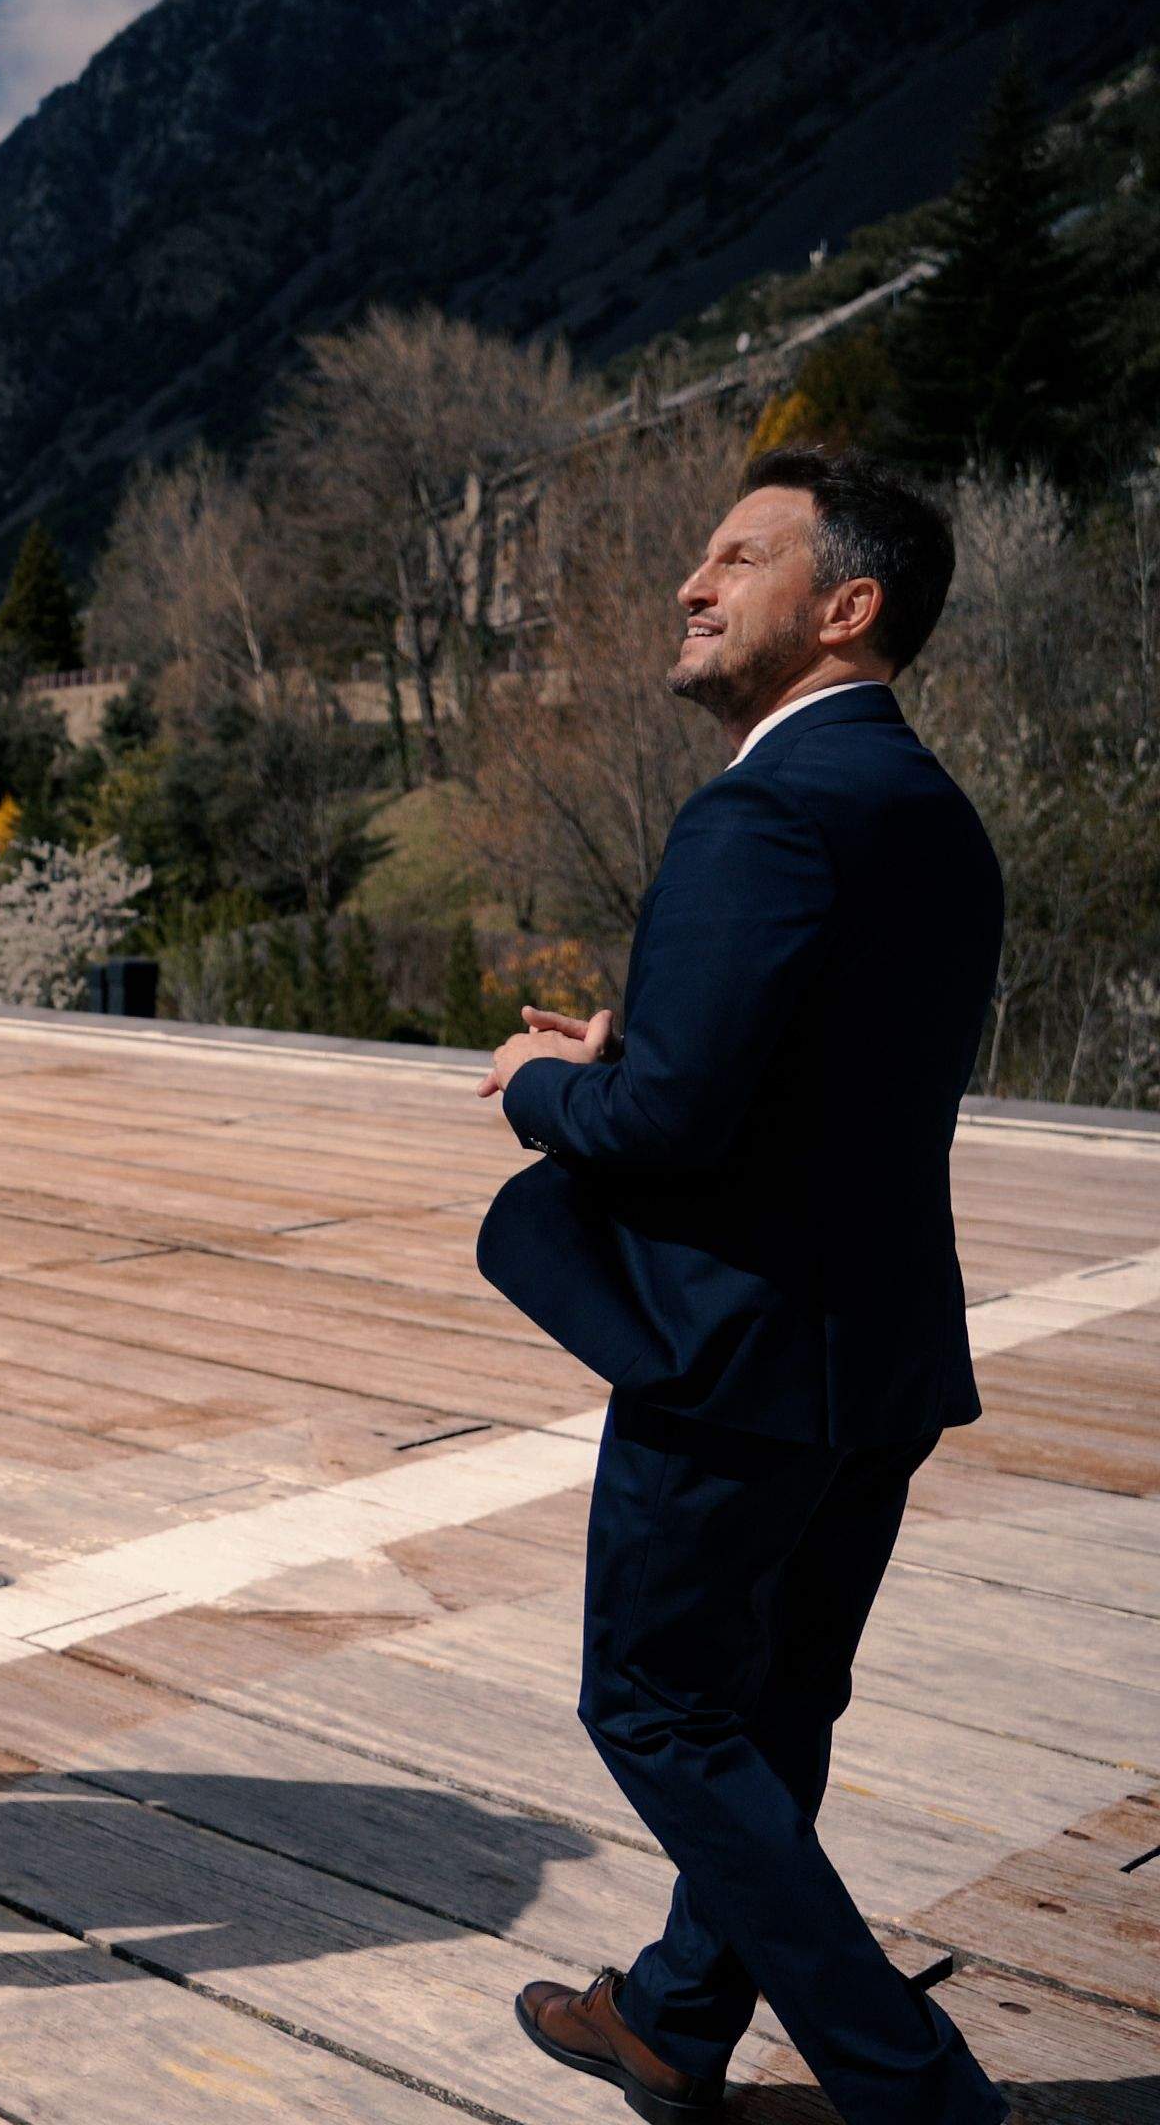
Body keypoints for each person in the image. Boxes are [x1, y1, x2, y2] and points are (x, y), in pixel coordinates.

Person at [478, 448, 1004, 2125]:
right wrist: (655, 1053)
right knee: (771, 1711)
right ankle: (679, 2018)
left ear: (844, 607)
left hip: (737, 1363)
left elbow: (669, 1126)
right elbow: (813, 1077)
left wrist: (544, 1086)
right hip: (880, 1357)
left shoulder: (763, 805)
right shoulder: (927, 810)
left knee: (652, 1704)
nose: (692, 587)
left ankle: (908, 2082)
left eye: (735, 559)